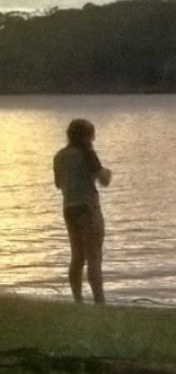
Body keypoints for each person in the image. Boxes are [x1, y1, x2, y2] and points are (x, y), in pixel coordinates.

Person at [53, 118, 111, 305]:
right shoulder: (87, 154)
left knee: (77, 257)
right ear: (87, 136)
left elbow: (58, 184)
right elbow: (104, 180)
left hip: (69, 208)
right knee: (94, 255)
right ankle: (99, 302)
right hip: (89, 208)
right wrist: (107, 172)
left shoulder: (59, 156)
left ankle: (78, 301)